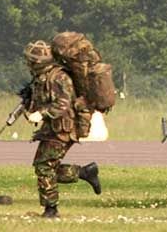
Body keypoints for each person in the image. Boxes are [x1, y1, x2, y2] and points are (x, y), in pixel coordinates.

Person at [21, 39, 101, 218]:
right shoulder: (43, 78)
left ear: (37, 62)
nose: (28, 64)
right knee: (45, 167)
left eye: (30, 61)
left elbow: (63, 104)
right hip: (53, 128)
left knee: (44, 167)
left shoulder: (59, 77)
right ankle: (85, 173)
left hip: (63, 129)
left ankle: (51, 209)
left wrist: (41, 114)